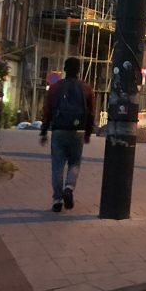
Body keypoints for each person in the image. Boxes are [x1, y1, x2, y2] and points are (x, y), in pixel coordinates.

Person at [40, 57, 96, 213]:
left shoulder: (55, 87)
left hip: (59, 130)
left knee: (57, 166)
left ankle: (57, 200)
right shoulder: (86, 88)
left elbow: (47, 110)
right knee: (74, 163)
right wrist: (88, 133)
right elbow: (91, 112)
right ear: (79, 70)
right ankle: (69, 188)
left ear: (64, 69)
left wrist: (44, 131)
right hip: (77, 131)